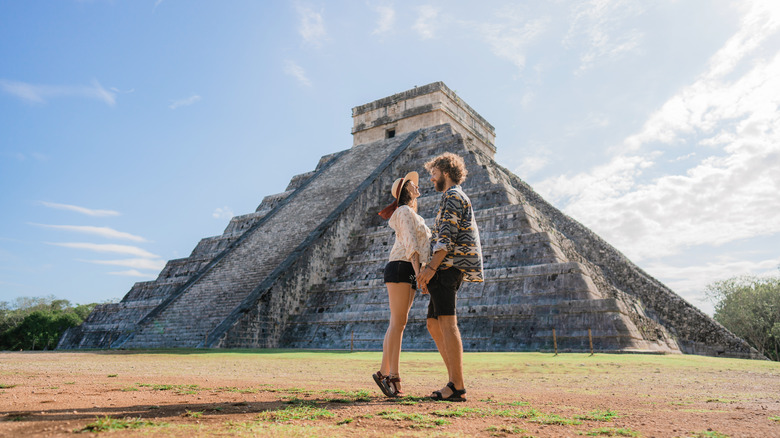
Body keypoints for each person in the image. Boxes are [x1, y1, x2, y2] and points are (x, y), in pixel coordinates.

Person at [417, 152, 483, 402]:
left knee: (447, 323)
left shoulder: (452, 196)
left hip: (446, 268)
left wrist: (430, 269)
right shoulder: (452, 197)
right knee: (433, 324)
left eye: (433, 173)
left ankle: (457, 386)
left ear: (445, 172)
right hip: (444, 268)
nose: (431, 179)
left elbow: (446, 238)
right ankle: (454, 379)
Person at [373, 171, 431, 397]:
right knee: (398, 323)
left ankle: (383, 372)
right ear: (406, 190)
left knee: (398, 323)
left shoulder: (411, 213)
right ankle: (393, 376)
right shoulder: (404, 211)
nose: (418, 187)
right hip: (401, 265)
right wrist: (420, 273)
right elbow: (410, 243)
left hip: (408, 267)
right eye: (413, 185)